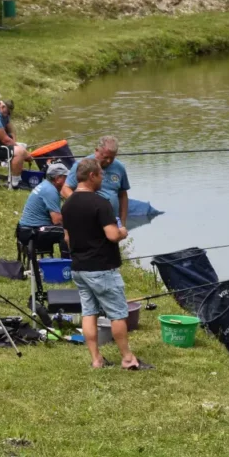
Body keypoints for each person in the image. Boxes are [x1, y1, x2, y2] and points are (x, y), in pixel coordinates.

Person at [62, 156, 149, 370]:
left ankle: (96, 359)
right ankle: (127, 359)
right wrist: (122, 232)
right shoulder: (101, 203)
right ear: (92, 176)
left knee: (89, 312)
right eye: (101, 174)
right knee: (118, 313)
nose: (103, 178)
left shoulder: (68, 203)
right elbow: (111, 235)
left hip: (79, 268)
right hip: (102, 268)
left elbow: (67, 238)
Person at [63, 136, 129, 224]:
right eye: (105, 157)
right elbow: (65, 189)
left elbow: (123, 195)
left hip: (112, 220)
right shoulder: (82, 165)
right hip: (88, 221)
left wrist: (123, 222)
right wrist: (80, 204)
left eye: (112, 158)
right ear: (96, 151)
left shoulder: (119, 167)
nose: (109, 161)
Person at [16, 161, 68, 262]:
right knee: (65, 232)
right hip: (32, 232)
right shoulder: (50, 191)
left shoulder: (45, 185)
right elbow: (57, 221)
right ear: (57, 179)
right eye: (65, 177)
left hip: (24, 229)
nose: (67, 180)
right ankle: (66, 264)